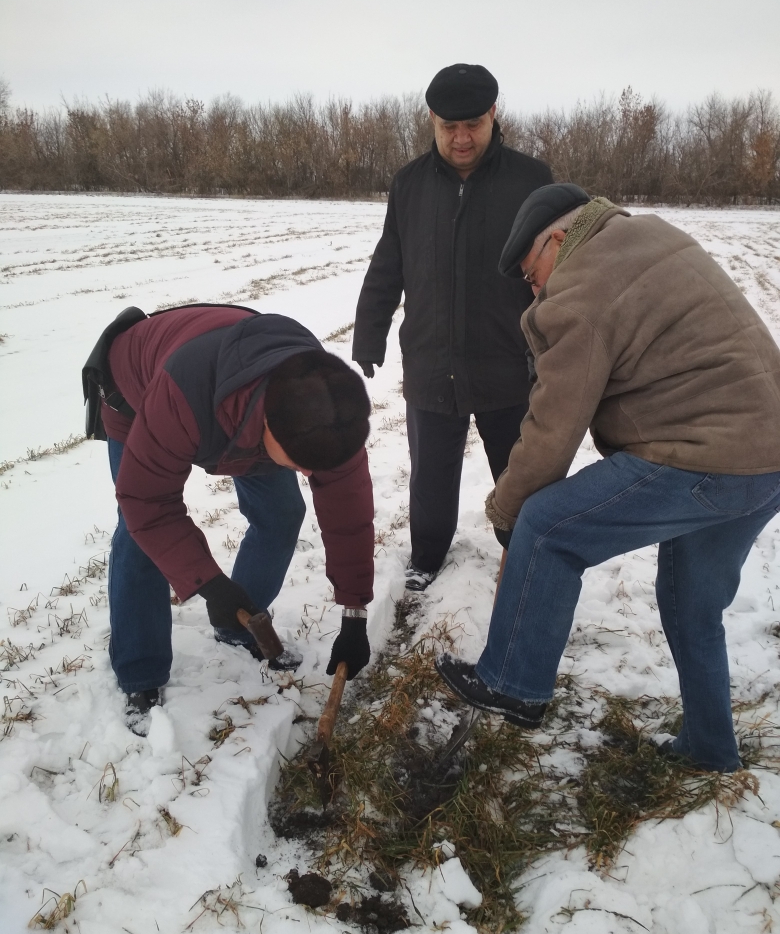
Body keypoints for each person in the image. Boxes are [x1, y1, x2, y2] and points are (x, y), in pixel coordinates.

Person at [436, 184, 780, 773]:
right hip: (765, 458)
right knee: (692, 607)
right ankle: (709, 750)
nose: (535, 287)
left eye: (531, 272)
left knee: (547, 527)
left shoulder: (581, 287)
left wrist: (507, 510)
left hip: (701, 456)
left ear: (560, 240)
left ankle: (512, 684)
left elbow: (552, 430)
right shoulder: (651, 235)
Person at [83, 304, 375, 731]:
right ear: (268, 428)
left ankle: (241, 627)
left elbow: (348, 511)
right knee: (137, 534)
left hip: (232, 389)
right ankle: (139, 671)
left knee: (282, 511)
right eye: (301, 464)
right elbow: (147, 502)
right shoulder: (182, 394)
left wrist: (355, 612)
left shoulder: (325, 409)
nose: (311, 474)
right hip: (137, 390)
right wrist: (208, 583)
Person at [352, 63, 553, 591]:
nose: (461, 138)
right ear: (432, 121)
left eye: (473, 125)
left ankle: (526, 557)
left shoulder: (531, 179)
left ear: (493, 114)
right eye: (448, 127)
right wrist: (368, 331)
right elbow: (388, 261)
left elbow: (560, 268)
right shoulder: (410, 183)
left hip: (507, 361)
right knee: (431, 474)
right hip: (430, 360)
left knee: (520, 473)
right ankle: (427, 555)